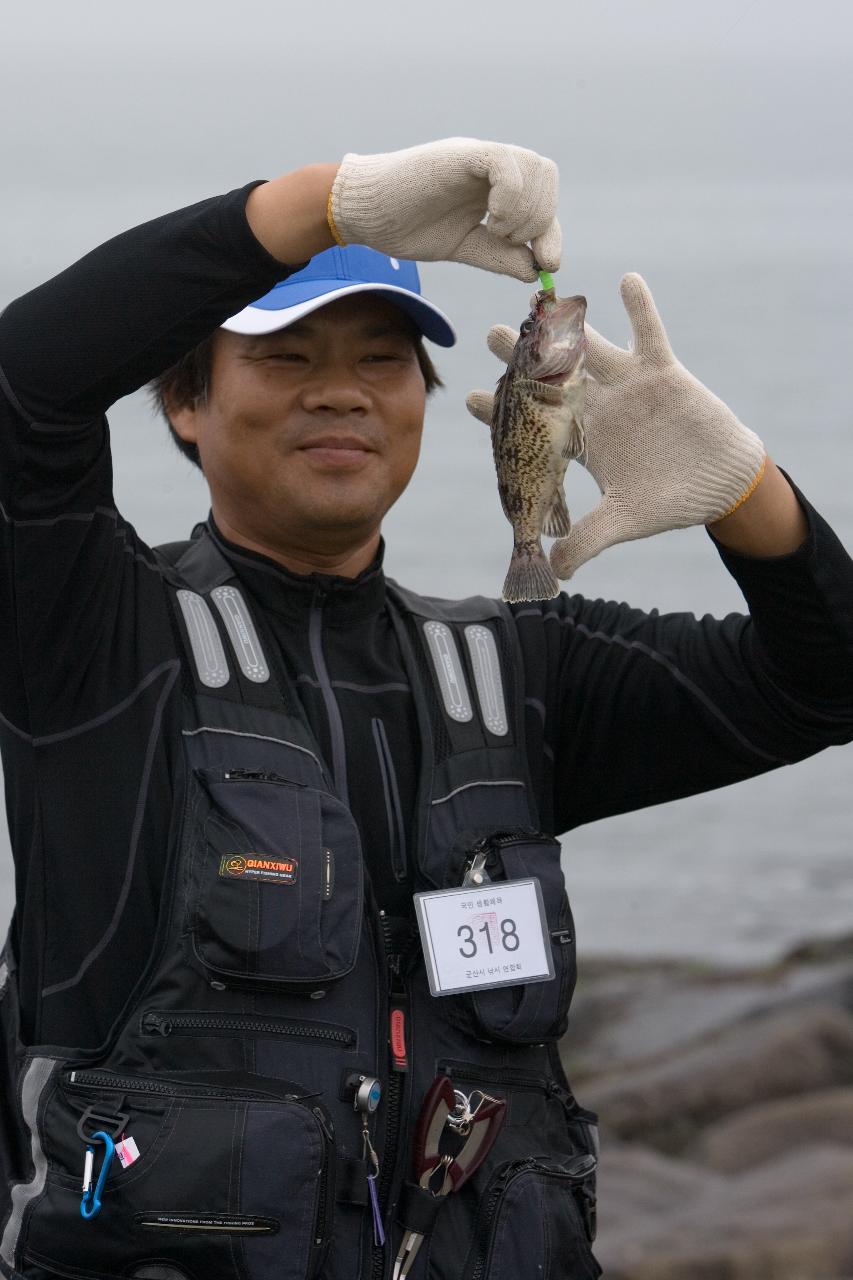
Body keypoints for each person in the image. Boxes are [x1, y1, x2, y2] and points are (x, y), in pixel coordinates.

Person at [0, 137, 850, 1280]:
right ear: (186, 403)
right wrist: (322, 204)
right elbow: (24, 386)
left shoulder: (516, 669)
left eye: (382, 358)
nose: (341, 387)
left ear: (422, 401)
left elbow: (822, 677)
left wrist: (745, 490)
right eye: (286, 353)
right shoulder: (93, 639)